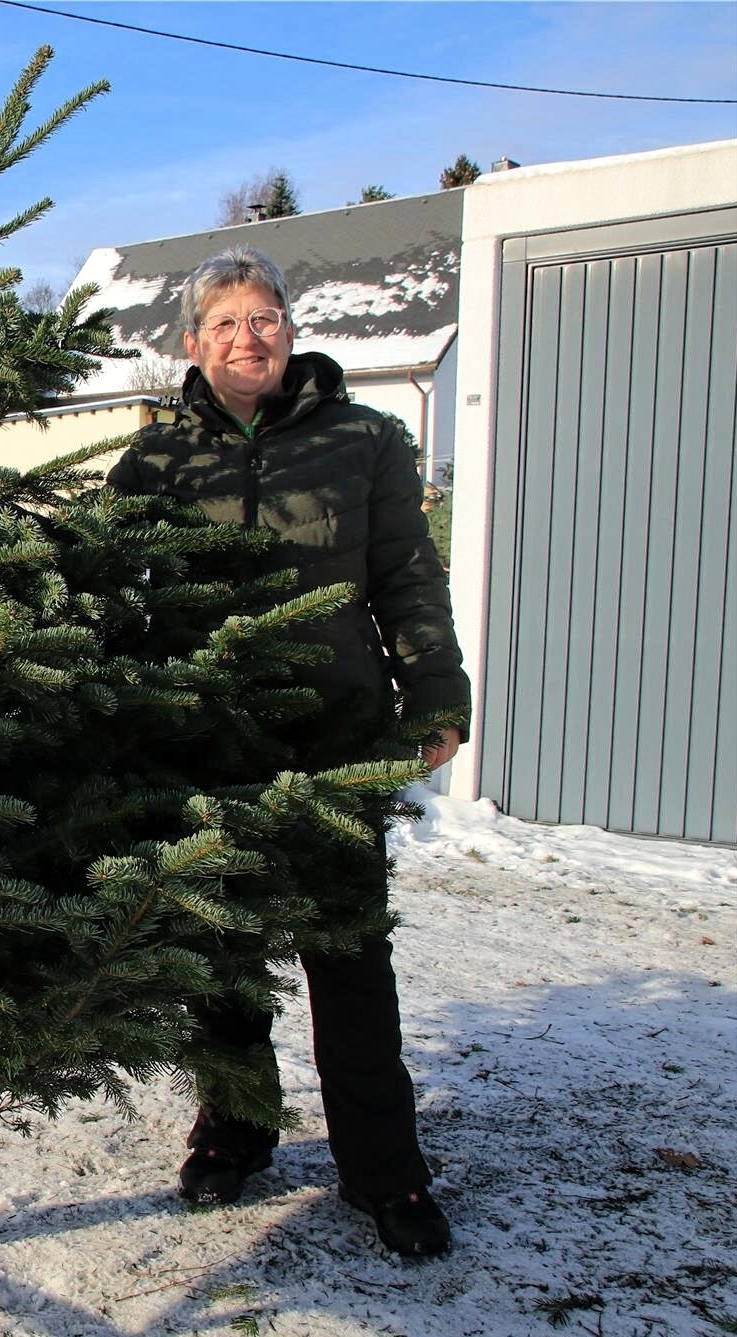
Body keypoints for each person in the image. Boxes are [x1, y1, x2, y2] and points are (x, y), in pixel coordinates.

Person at [107, 246, 471, 1258]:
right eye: (224, 322)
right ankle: (236, 1129)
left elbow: (407, 578)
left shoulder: (367, 441)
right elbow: (103, 590)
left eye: (263, 317)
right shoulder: (156, 459)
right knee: (222, 952)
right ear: (192, 344)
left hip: (334, 737)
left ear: (291, 331)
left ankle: (385, 1172)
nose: (246, 337)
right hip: (205, 742)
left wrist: (436, 690)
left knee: (348, 955)